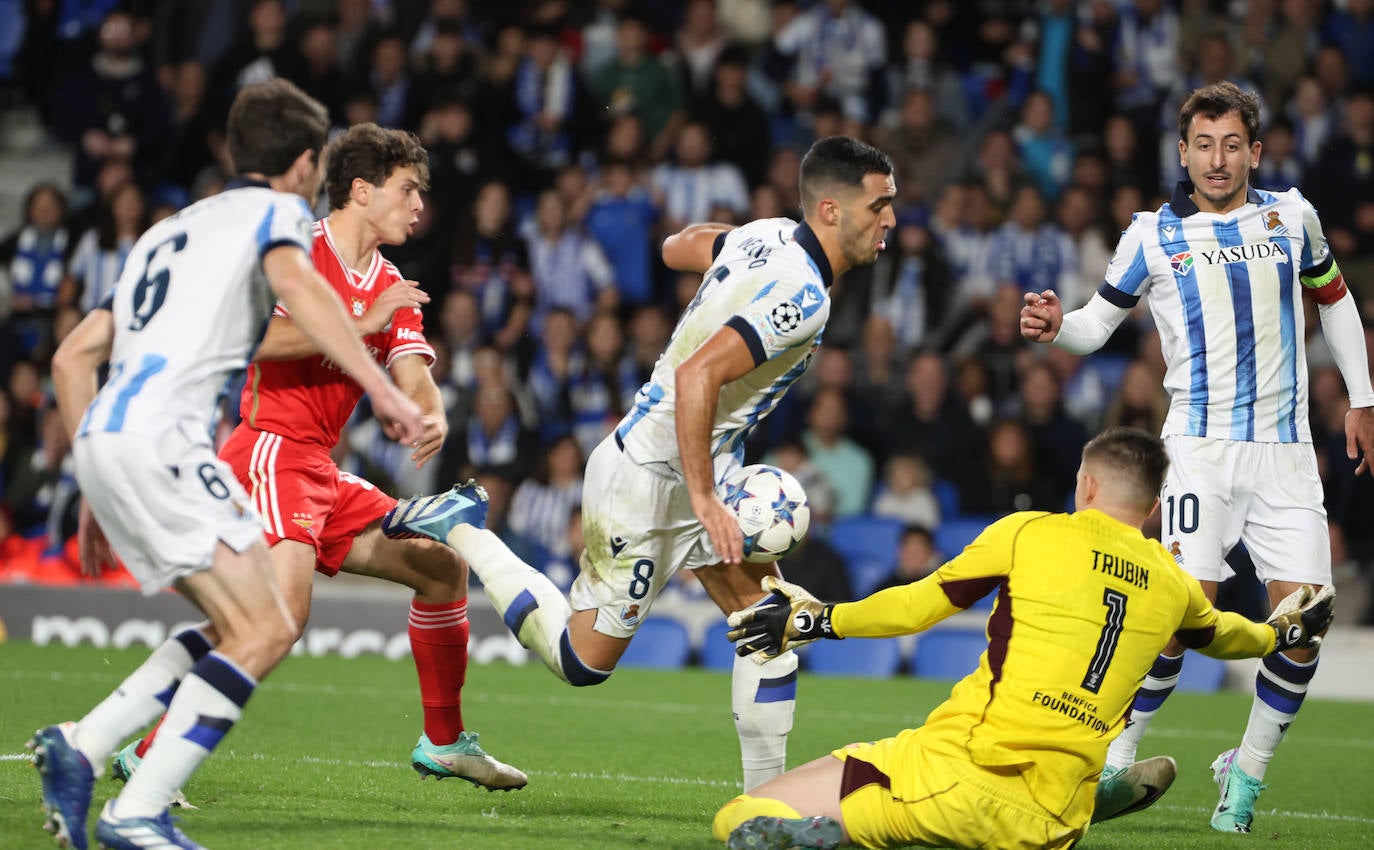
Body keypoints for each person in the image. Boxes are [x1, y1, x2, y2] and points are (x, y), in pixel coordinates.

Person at [383, 136, 896, 791]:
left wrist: (739, 250)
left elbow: (675, 246)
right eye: (879, 205)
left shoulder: (768, 235)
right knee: (580, 663)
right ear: (830, 210)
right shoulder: (803, 295)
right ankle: (462, 527)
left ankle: (766, 809)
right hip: (649, 479)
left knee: (769, 625)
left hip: (696, 463)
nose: (890, 220)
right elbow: (696, 378)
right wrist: (708, 500)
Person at [32, 79, 424, 850]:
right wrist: (379, 383)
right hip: (171, 442)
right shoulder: (278, 215)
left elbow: (71, 357)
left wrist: (91, 488)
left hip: (111, 438)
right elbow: (294, 292)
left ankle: (83, 745)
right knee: (268, 627)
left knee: (242, 620)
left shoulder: (167, 230)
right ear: (306, 164)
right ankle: (138, 809)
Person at [104, 123, 527, 793]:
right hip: (269, 449)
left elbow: (413, 367)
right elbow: (253, 338)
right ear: (361, 190)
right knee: (276, 620)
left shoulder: (390, 281)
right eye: (408, 189)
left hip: (318, 470)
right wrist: (360, 319)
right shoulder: (296, 248)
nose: (419, 205)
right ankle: (151, 754)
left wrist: (433, 409)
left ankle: (444, 742)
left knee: (441, 567)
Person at [1019, 81, 1374, 834]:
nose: (1218, 159)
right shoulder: (1151, 233)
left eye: (1232, 144)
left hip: (1284, 452)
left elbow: (1336, 299)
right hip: (1198, 453)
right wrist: (1057, 328)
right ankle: (1118, 759)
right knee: (1179, 615)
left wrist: (1363, 397)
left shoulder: (1292, 217)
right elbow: (1096, 323)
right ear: (1183, 152)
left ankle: (1244, 772)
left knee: (1303, 622)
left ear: (1254, 149)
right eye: (1203, 145)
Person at [714, 428, 1335, 850]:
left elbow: (915, 607)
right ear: (1152, 508)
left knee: (742, 817)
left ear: (1085, 485)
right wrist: (1286, 630)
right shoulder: (1174, 583)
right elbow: (1230, 636)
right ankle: (1095, 798)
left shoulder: (1028, 533)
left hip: (958, 778)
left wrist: (815, 619)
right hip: (1054, 821)